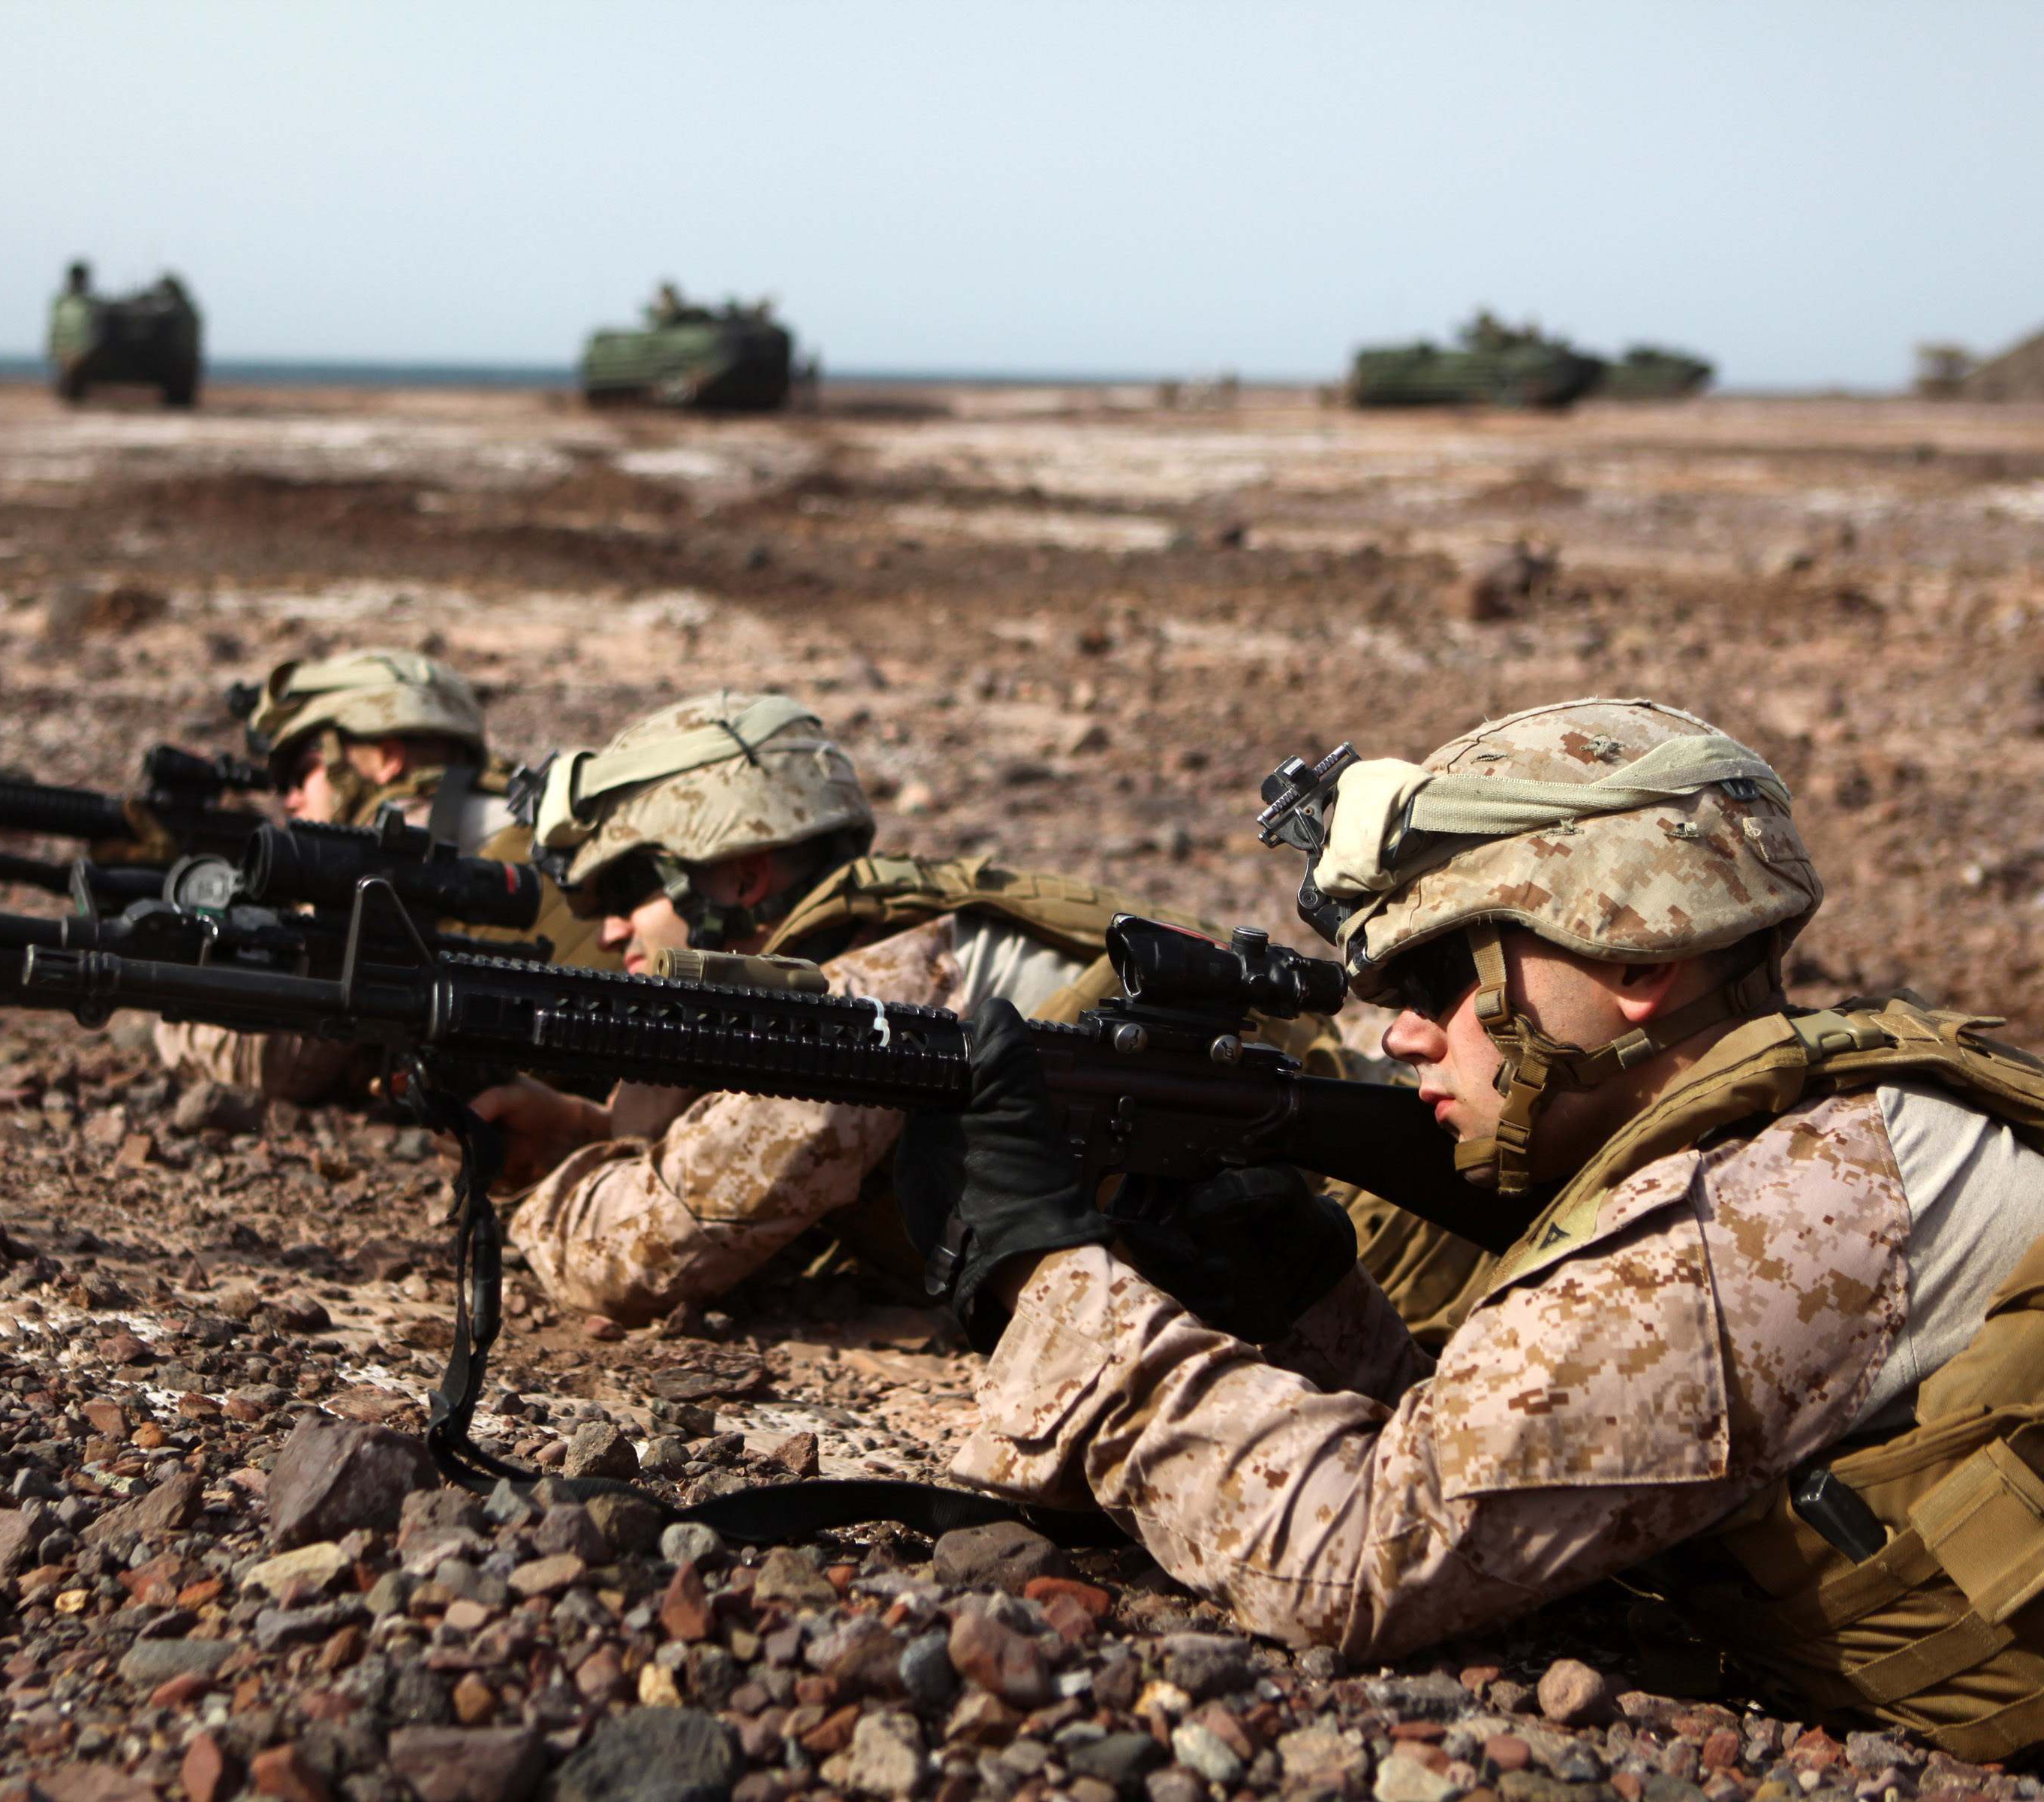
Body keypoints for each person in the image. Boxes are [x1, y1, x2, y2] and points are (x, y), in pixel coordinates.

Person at [907, 696, 2044, 1758]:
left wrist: (1046, 1269)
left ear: (1636, 955)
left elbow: (1351, 1567)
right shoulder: (1799, 1131)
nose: (1402, 1037)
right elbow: (1539, 1496)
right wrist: (1308, 1307)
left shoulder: (1768, 1213)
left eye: (1441, 975)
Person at [485, 690, 1355, 1327]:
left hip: (1375, 1294)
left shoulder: (877, 988)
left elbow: (638, 1256)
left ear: (742, 876)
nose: (603, 931)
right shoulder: (905, 938)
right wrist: (583, 1125)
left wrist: (544, 1184)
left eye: (628, 889)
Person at [152, 649, 607, 1104]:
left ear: (388, 757)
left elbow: (275, 1064)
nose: (287, 800)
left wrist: (170, 1015)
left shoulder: (388, 856)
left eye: (300, 772)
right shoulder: (509, 814)